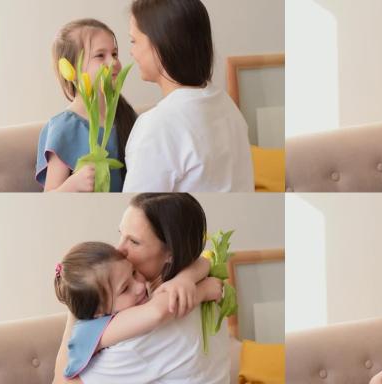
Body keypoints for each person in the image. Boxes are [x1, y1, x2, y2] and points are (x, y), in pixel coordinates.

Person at [53, 193, 230, 383]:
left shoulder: (140, 337)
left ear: (171, 252)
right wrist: (193, 283)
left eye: (134, 241)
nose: (119, 250)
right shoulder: (200, 280)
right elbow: (202, 261)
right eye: (121, 235)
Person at [123, 0, 254, 192]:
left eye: (134, 41)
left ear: (160, 43)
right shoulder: (225, 104)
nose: (131, 52)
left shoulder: (157, 126)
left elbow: (140, 206)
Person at [53, 242, 222, 379]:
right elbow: (157, 311)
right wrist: (201, 291)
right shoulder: (93, 329)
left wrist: (186, 278)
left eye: (133, 272)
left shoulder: (107, 310)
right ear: (99, 313)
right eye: (125, 288)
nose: (140, 286)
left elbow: (201, 261)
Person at [36, 19, 137, 192]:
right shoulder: (64, 127)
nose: (113, 62)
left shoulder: (125, 115)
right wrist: (73, 185)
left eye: (114, 54)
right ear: (71, 68)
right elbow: (50, 200)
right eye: (100, 55)